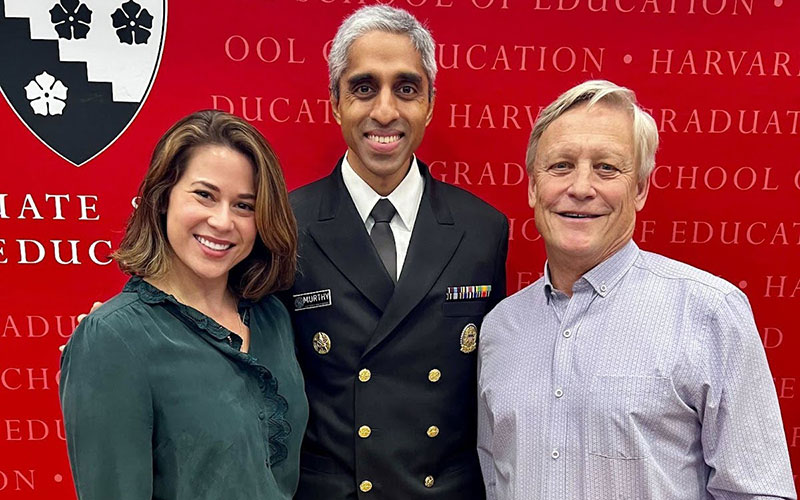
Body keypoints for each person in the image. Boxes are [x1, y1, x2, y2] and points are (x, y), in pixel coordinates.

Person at [476, 80, 796, 499]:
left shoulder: (709, 312)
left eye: (607, 167)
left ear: (640, 189)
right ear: (534, 187)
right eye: (561, 166)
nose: (581, 187)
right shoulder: (500, 328)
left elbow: (758, 492)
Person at [286, 5, 508, 499]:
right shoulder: (284, 224)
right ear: (334, 103)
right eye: (364, 87)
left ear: (429, 103)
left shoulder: (482, 229)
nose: (384, 111)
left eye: (406, 88)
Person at [60, 110, 308, 500]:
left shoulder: (270, 316)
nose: (223, 221)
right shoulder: (112, 338)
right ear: (162, 198)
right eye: (205, 195)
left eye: (244, 205)